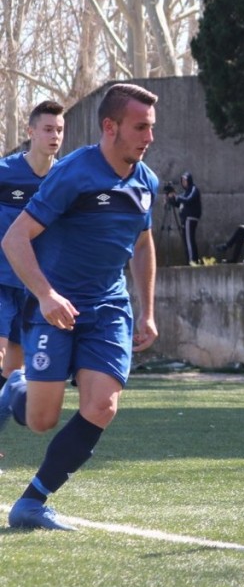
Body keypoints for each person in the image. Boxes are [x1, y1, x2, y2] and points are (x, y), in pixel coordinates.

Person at [0, 82, 160, 530]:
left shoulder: (146, 181)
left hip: (109, 309)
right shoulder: (72, 173)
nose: (148, 137)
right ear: (110, 127)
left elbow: (144, 246)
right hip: (57, 308)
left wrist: (146, 309)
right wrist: (47, 295)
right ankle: (16, 387)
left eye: (151, 128)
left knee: (102, 406)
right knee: (41, 421)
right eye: (140, 127)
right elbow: (15, 239)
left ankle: (32, 501)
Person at [0, 101, 65, 389]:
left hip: (36, 285)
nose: (55, 136)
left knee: (14, 370)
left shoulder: (65, 178)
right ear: (31, 132)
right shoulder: (4, 173)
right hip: (1, 282)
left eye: (60, 130)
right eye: (48, 129)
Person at [166, 171, 202, 265]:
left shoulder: (193, 189)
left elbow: (188, 199)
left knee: (189, 240)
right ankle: (191, 260)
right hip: (185, 219)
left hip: (190, 218)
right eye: (182, 181)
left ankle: (192, 261)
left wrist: (176, 197)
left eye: (185, 180)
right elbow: (179, 203)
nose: (184, 183)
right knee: (187, 240)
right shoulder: (185, 192)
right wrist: (171, 200)